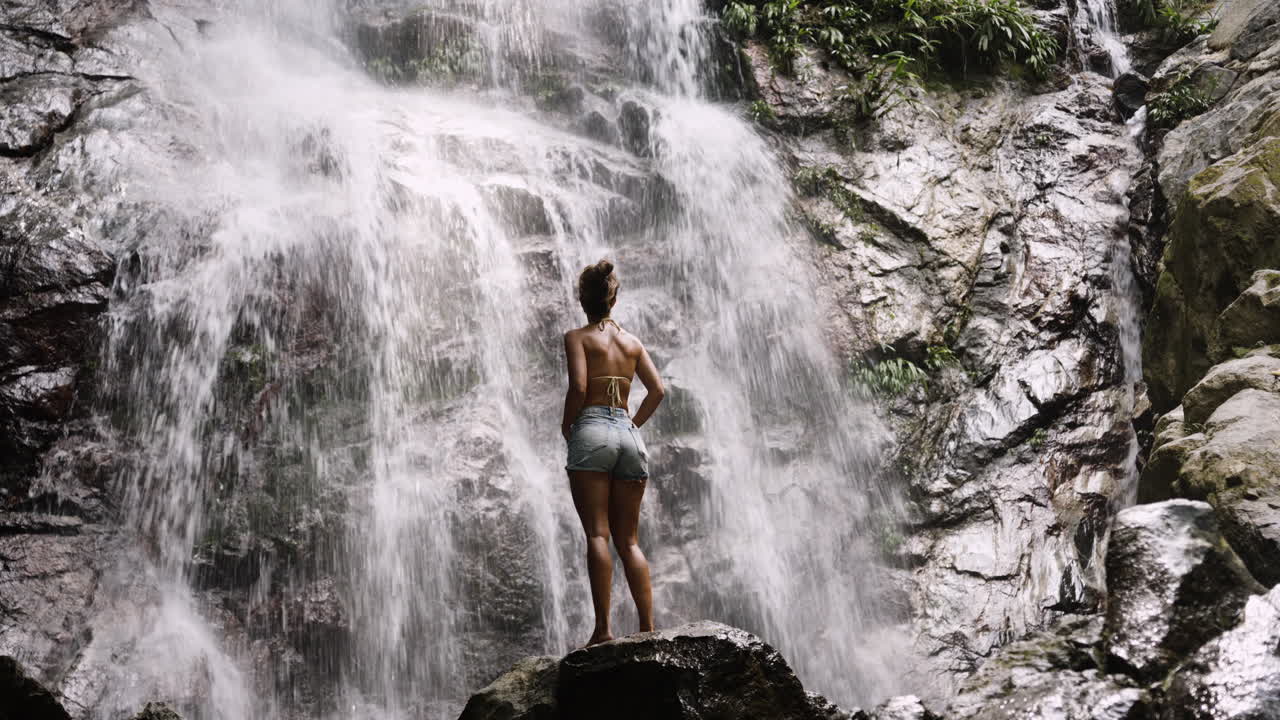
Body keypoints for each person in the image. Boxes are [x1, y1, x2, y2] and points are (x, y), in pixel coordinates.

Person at [561, 259, 665, 647]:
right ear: (613, 298)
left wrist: (567, 425)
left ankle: (603, 630)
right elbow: (658, 391)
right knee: (630, 541)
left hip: (592, 431)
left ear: (582, 299)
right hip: (628, 434)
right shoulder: (632, 342)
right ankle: (647, 629)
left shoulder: (578, 337)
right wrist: (633, 423)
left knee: (598, 535)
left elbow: (578, 386)